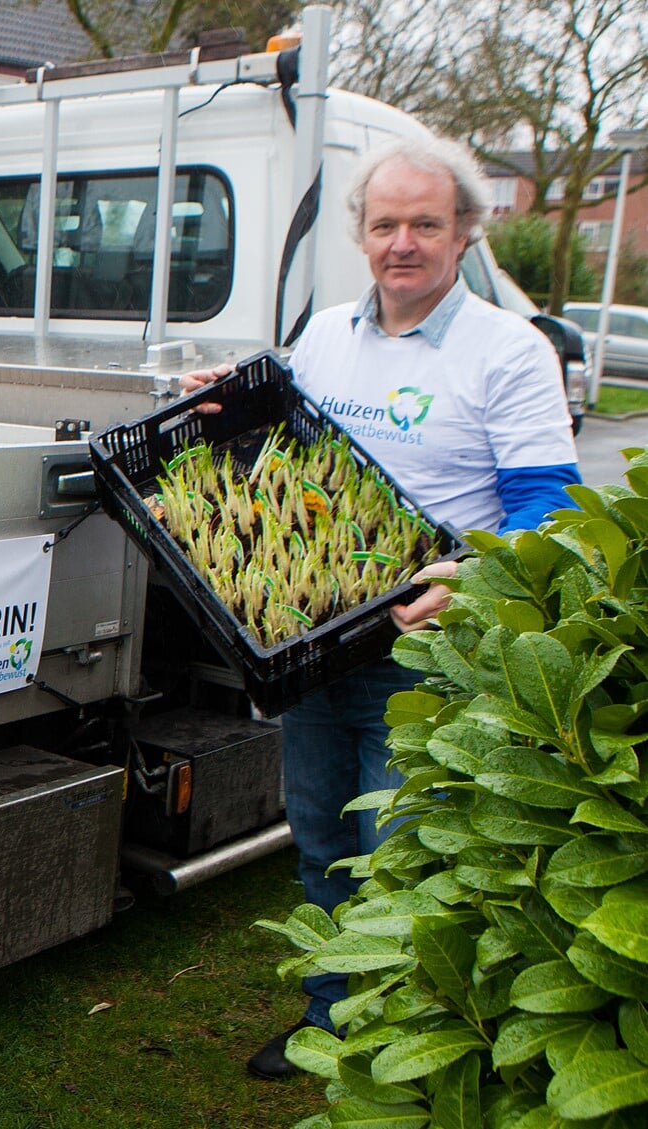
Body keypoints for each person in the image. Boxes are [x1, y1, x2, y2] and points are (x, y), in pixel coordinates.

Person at [184, 135, 581, 1080]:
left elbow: (551, 507)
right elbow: (290, 447)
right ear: (361, 235)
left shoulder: (508, 351)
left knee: (399, 850)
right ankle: (332, 1015)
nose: (404, 242)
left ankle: (411, 1030)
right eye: (386, 223)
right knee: (320, 835)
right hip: (318, 641)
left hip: (424, 655)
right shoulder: (328, 333)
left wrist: (471, 579)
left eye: (426, 224)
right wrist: (226, 408)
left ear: (464, 234)